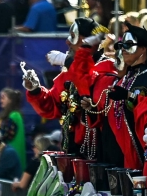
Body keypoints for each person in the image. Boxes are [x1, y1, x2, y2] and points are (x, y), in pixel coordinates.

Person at [70, 24, 147, 171]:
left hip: (137, 150)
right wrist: (91, 109)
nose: (123, 49)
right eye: (121, 45)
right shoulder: (126, 77)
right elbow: (109, 113)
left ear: (143, 48)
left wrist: (129, 96)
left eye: (128, 45)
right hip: (113, 149)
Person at [24, 17, 108, 155]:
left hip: (100, 151)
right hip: (72, 149)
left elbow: (91, 86)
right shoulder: (68, 73)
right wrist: (35, 90)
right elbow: (52, 106)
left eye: (74, 37)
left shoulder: (107, 68)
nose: (68, 42)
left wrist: (68, 62)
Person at [0, 88, 27, 174]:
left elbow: (5, 136)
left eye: (3, 98)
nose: (0, 100)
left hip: (13, 157)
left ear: (10, 100)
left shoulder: (14, 116)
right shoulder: (13, 115)